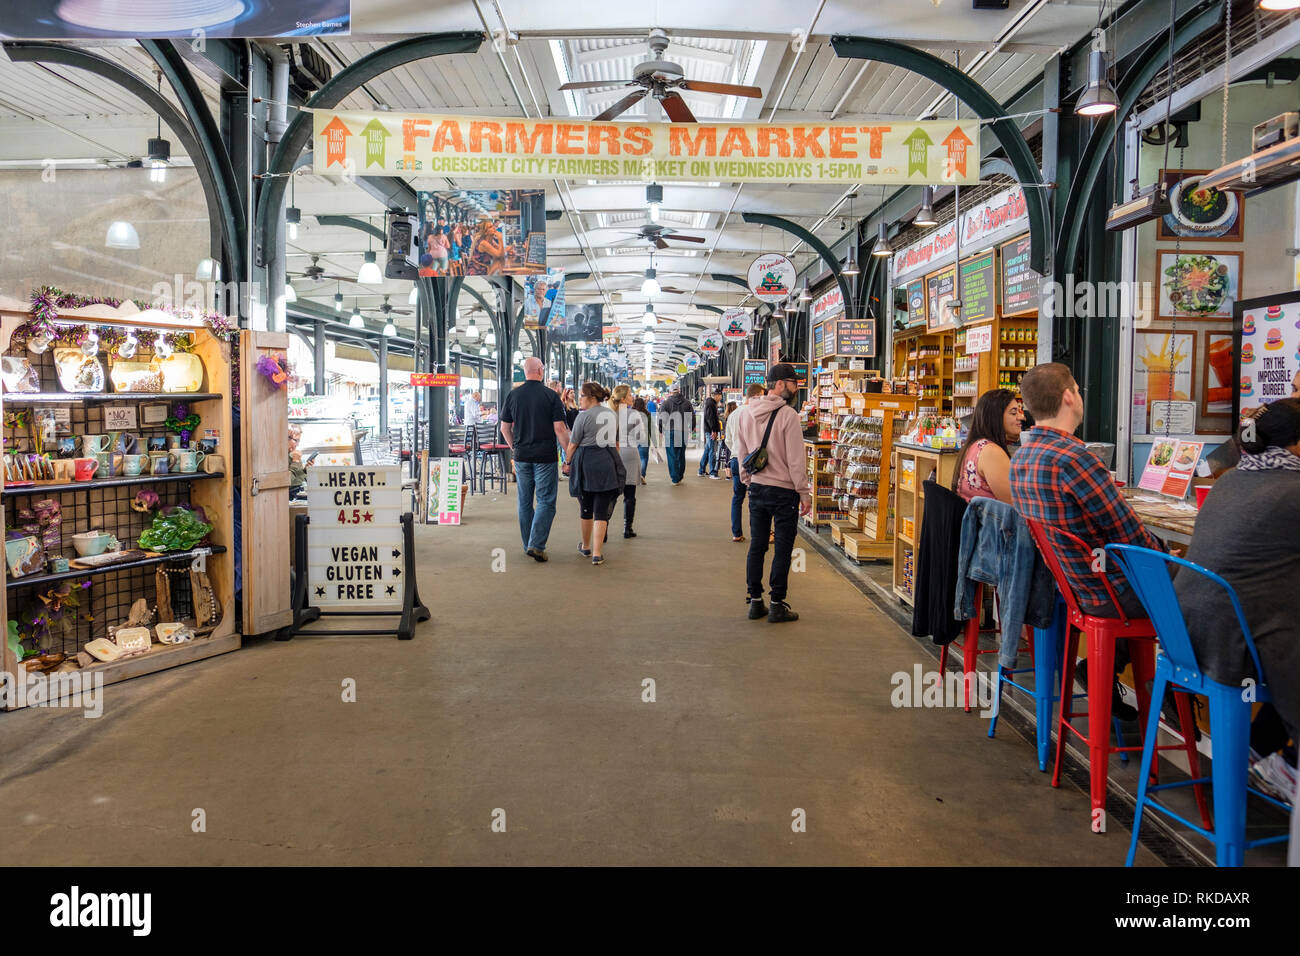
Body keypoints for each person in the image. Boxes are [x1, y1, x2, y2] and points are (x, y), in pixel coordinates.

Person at [1009, 362, 1163, 718]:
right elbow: (1132, 537)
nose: (1079, 395)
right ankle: (1173, 691)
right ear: (1068, 397)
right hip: (1110, 594)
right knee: (1204, 596)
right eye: (1077, 389)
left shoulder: (1022, 458)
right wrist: (1168, 554)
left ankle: (1113, 674)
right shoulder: (1076, 459)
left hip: (1076, 591)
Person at [1175, 398, 1300, 751]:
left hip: (1187, 637)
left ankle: (1265, 753)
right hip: (1232, 647)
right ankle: (1280, 760)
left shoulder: (1229, 482)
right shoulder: (1292, 491)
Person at [731, 364, 812, 623]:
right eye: (793, 382)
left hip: (757, 489)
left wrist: (748, 480)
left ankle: (755, 601)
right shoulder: (788, 415)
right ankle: (777, 604)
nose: (797, 387)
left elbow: (741, 452)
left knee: (757, 545)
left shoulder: (746, 413)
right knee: (783, 549)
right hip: (784, 492)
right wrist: (804, 492)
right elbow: (796, 459)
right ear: (778, 384)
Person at [499, 357, 570, 562]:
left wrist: (516, 448)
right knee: (546, 500)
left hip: (522, 457)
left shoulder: (513, 395)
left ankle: (527, 544)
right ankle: (536, 545)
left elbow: (505, 428)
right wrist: (569, 455)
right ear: (540, 370)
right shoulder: (551, 396)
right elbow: (559, 429)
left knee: (524, 500)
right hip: (545, 457)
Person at [563, 382, 625, 565]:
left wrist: (567, 463)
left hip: (586, 463)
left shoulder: (583, 417)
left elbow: (573, 445)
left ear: (591, 397)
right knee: (601, 509)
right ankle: (598, 553)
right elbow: (616, 443)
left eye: (581, 396)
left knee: (586, 507)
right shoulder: (611, 415)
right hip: (606, 460)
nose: (579, 399)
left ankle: (586, 546)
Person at [952, 388, 1024, 503]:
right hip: (988, 520)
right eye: (1014, 413)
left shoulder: (976, 445)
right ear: (996, 417)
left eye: (1020, 412)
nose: (1021, 417)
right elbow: (1016, 504)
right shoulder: (991, 452)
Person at [726, 384, 764, 542]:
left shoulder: (734, 414)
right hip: (752, 461)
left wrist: (735, 451)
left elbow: (727, 439)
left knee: (737, 497)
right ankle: (759, 533)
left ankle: (736, 533)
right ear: (757, 395)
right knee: (756, 498)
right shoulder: (756, 414)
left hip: (735, 459)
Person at [610, 385, 647, 538]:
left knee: (610, 495)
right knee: (629, 494)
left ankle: (603, 529)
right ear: (624, 398)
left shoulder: (608, 413)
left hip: (611, 455)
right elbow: (641, 438)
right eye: (630, 395)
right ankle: (627, 528)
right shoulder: (634, 414)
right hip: (630, 454)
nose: (633, 397)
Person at [657, 384, 695, 485]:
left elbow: (661, 417)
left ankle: (675, 478)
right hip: (683, 431)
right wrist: (692, 427)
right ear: (679, 391)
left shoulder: (665, 403)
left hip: (670, 432)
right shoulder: (687, 403)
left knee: (671, 455)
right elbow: (692, 416)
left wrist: (661, 429)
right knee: (681, 454)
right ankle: (680, 475)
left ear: (670, 392)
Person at [698, 387, 724, 479]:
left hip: (709, 430)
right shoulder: (710, 404)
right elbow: (710, 418)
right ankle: (712, 472)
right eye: (720, 395)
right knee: (712, 451)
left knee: (708, 450)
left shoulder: (711, 403)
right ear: (716, 395)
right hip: (710, 431)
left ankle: (701, 470)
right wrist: (713, 430)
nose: (721, 397)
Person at [632, 396, 652, 484]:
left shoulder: (631, 414)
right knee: (644, 458)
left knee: (634, 459)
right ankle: (642, 475)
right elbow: (650, 428)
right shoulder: (647, 414)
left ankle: (635, 476)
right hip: (644, 439)